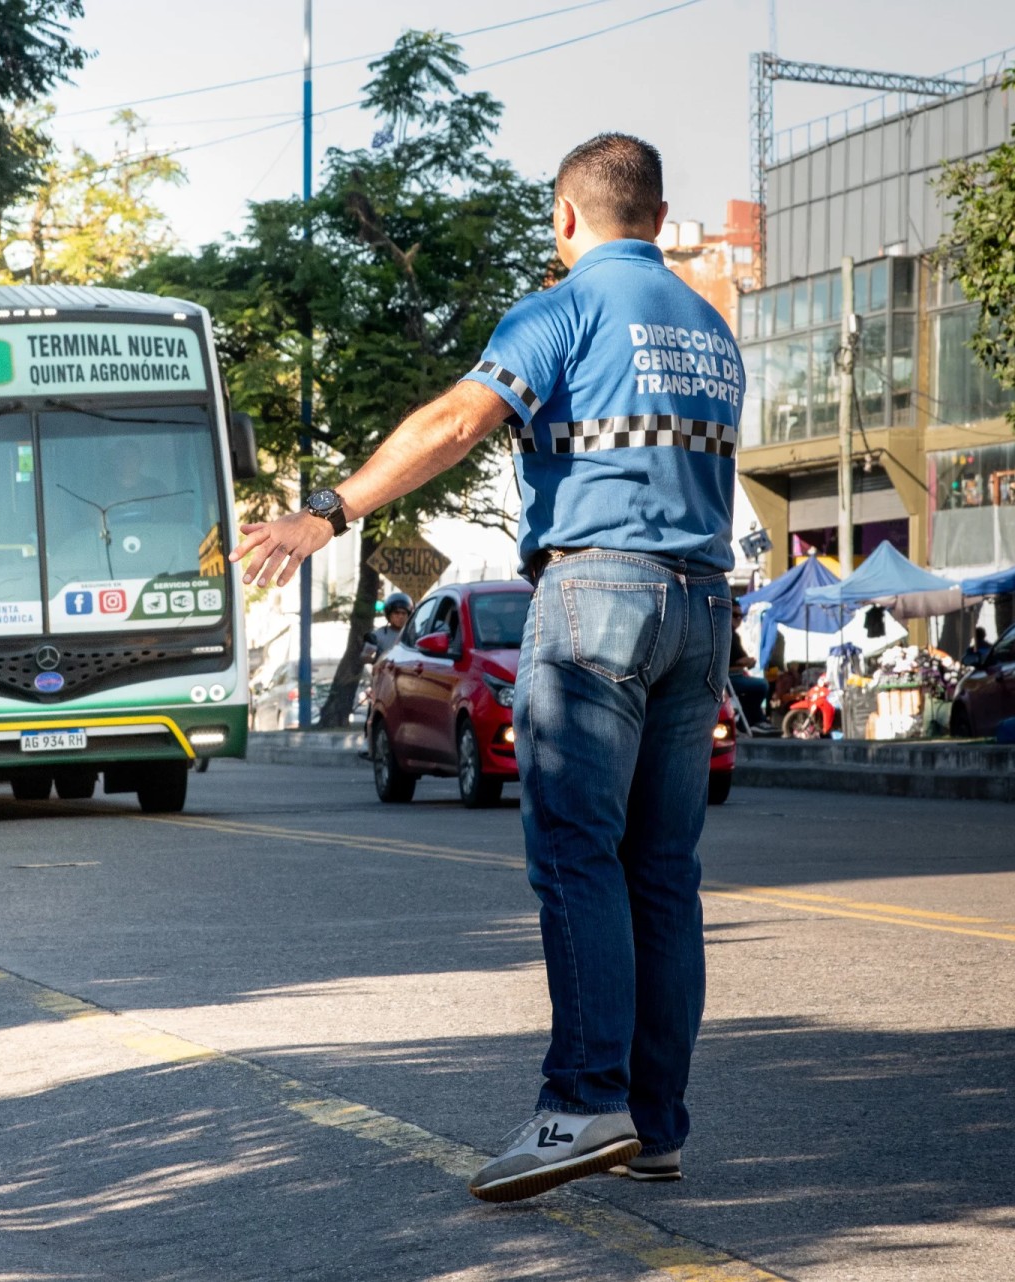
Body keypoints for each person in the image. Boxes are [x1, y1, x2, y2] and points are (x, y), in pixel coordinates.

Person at [231, 134, 738, 1202]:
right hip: (701, 605)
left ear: (566, 217)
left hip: (598, 594)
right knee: (662, 874)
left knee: (577, 855)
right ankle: (657, 1126)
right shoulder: (710, 328)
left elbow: (461, 420)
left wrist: (328, 511)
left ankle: (582, 1104)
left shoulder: (562, 307)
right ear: (657, 216)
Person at [727, 605, 771, 730]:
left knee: (756, 687)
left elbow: (742, 659)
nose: (738, 619)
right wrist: (746, 661)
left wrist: (746, 661)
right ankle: (753, 720)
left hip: (734, 675)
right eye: (735, 615)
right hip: (728, 678)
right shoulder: (726, 634)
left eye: (741, 616)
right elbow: (738, 660)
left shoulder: (733, 635)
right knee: (761, 685)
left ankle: (749, 720)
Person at [361, 592, 413, 663]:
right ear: (389, 615)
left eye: (403, 613)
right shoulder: (377, 635)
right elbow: (365, 657)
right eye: (396, 613)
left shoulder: (414, 635)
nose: (400, 617)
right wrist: (378, 662)